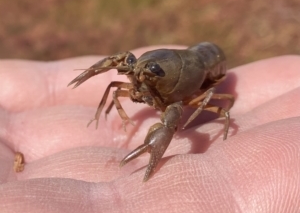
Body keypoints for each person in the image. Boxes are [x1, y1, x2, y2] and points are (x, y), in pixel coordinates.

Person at [0, 46, 299, 212]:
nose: (138, 81)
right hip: (182, 60)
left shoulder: (191, 85)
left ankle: (152, 159)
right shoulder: (142, 73)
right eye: (139, 71)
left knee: (203, 109)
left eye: (149, 74)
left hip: (210, 59)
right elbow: (125, 70)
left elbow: (181, 113)